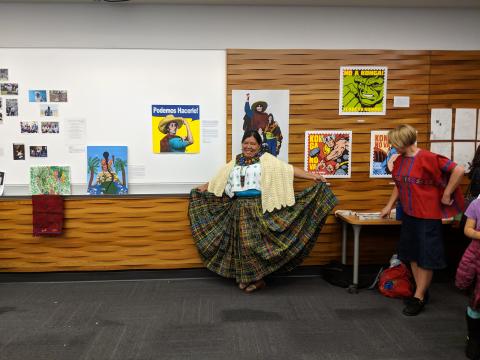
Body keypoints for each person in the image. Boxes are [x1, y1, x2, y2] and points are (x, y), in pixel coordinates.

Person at [189, 130, 337, 293]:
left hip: (258, 208)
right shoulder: (235, 162)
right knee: (242, 246)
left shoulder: (266, 160)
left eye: (253, 144)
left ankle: (257, 279)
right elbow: (221, 178)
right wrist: (204, 186)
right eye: (246, 143)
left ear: (259, 145)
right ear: (242, 144)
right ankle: (249, 278)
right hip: (237, 208)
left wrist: (312, 176)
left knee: (253, 245)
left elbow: (289, 170)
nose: (249, 146)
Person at [380, 124, 465, 316]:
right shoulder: (400, 161)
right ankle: (421, 291)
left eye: (394, 142)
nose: (392, 145)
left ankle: (418, 296)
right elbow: (399, 184)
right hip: (409, 214)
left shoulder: (428, 158)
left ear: (403, 141)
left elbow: (458, 170)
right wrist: (389, 206)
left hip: (427, 216)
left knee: (426, 256)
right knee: (411, 254)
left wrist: (447, 194)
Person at [456, 195, 480, 360]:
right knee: (476, 301)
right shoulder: (477, 203)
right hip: (476, 256)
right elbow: (468, 230)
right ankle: (474, 337)